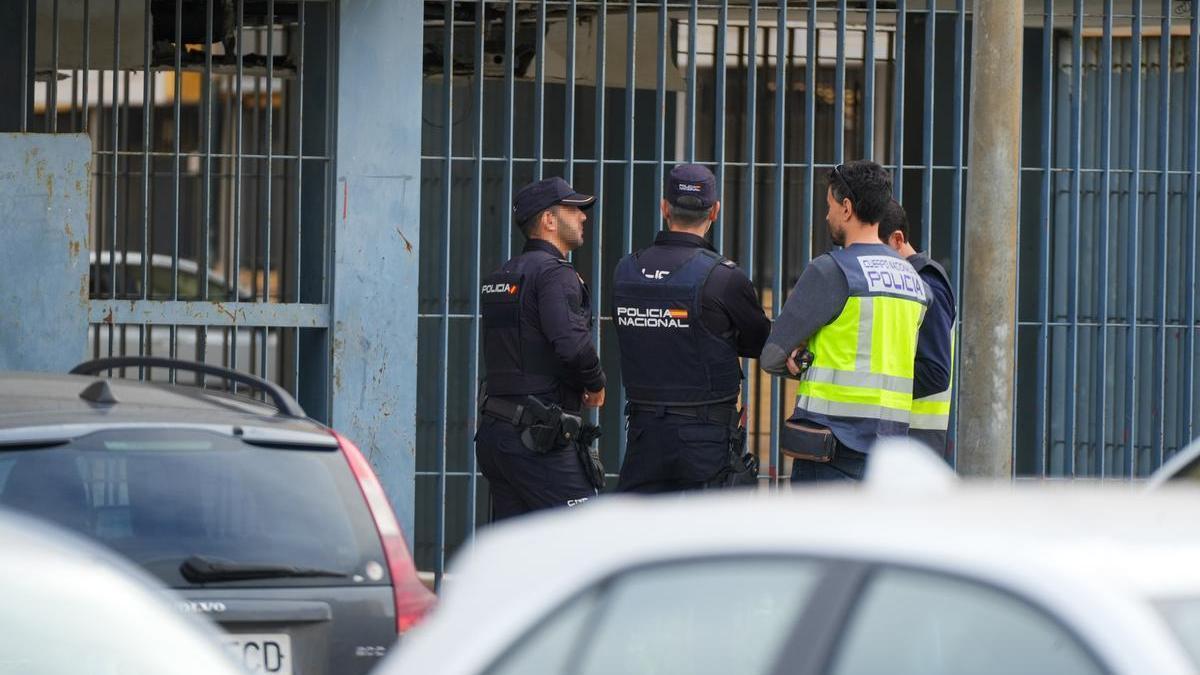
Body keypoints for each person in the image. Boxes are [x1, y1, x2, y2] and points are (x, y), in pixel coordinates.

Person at [760, 160, 928, 482]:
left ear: (847, 208)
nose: (827, 215)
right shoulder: (913, 280)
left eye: (830, 206)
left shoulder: (831, 271)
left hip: (832, 454)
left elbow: (772, 355)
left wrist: (799, 357)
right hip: (888, 458)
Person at [613, 164, 771, 493]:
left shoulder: (626, 270)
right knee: (709, 538)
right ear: (714, 211)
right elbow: (760, 342)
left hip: (644, 433)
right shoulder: (724, 277)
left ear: (664, 206)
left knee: (642, 537)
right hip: (706, 437)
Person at [475, 176, 607, 521]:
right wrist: (595, 383)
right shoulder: (555, 274)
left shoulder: (503, 276)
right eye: (574, 209)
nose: (583, 217)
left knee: (517, 554)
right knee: (586, 538)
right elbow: (572, 345)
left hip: (496, 434)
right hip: (537, 438)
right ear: (549, 220)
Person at [878, 199, 956, 459]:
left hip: (916, 441)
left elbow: (935, 373)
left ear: (898, 240)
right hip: (901, 436)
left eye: (875, 248)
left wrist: (877, 381)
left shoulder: (926, 283)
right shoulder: (903, 283)